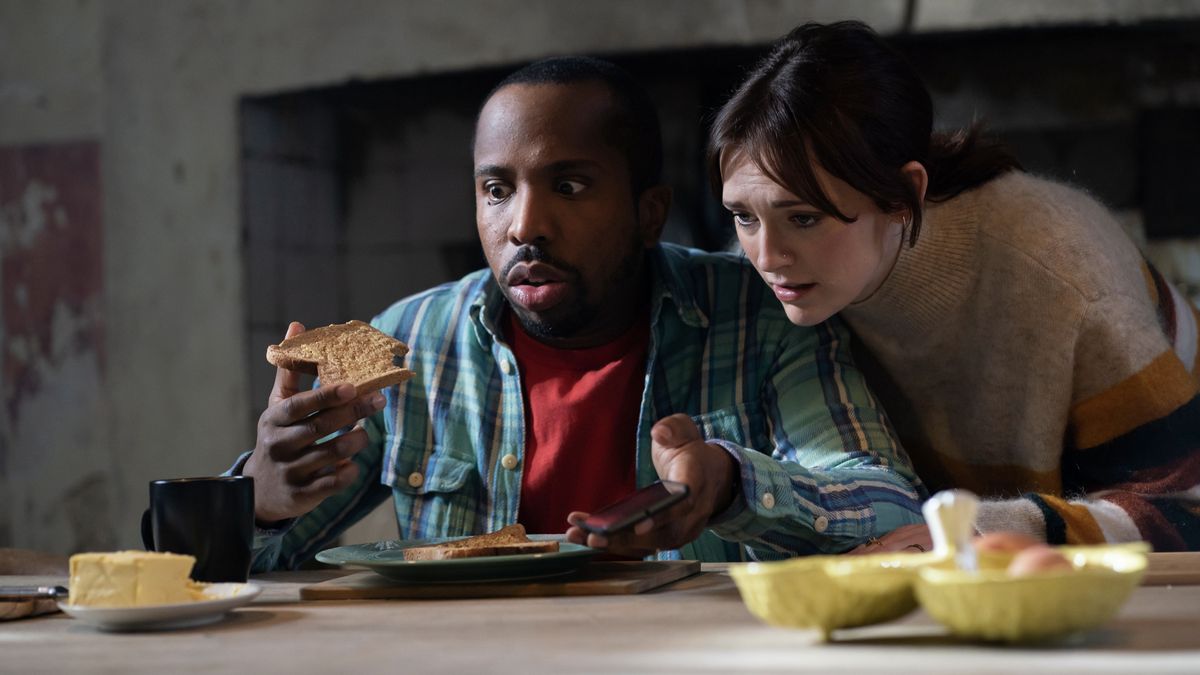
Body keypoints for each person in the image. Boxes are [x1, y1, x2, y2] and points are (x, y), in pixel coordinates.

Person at [234, 56, 927, 570]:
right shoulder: (412, 342)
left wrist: (729, 482)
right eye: (497, 189)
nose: (524, 225)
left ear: (648, 211)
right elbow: (222, 570)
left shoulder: (763, 312)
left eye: (568, 185)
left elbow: (890, 504)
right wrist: (260, 501)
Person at [708, 21, 1200, 551]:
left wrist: (977, 533)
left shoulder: (1065, 273)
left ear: (903, 195)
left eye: (803, 219)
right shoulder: (771, 282)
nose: (764, 257)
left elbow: (1184, 512)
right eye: (742, 216)